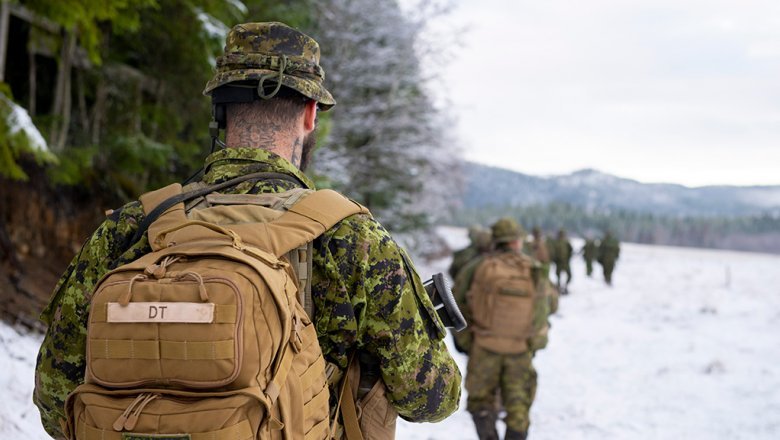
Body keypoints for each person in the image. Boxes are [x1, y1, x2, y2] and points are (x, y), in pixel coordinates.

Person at [33, 22, 461, 439]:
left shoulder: (129, 229)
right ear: (311, 114)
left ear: (219, 109)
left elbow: (56, 400)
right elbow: (431, 398)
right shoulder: (353, 240)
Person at [454, 218, 549, 440]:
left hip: (483, 347)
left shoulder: (477, 266)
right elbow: (546, 306)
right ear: (517, 241)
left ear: (495, 240)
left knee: (480, 403)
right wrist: (532, 343)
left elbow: (456, 304)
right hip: (520, 350)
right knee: (518, 407)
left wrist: (468, 341)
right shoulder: (533, 269)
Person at [551, 229, 573, 294]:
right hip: (559, 262)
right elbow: (553, 252)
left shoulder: (566, 242)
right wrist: (555, 260)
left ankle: (565, 286)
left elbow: (570, 250)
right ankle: (559, 287)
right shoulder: (556, 242)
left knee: (569, 275)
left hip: (565, 262)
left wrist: (568, 258)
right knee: (558, 275)